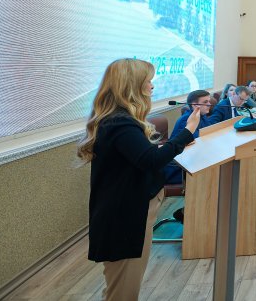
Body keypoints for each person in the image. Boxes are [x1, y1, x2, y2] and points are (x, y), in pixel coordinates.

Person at [77, 58, 200, 300]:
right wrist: (187, 131)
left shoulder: (119, 120)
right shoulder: (120, 123)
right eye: (147, 81)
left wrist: (170, 145)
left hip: (131, 210)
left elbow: (138, 156)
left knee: (123, 285)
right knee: (124, 290)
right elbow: (150, 161)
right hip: (124, 216)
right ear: (131, 86)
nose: (152, 86)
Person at [164, 90, 213, 185]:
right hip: (179, 167)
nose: (209, 104)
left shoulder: (202, 116)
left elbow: (208, 133)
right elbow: (196, 141)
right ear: (194, 105)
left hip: (194, 159)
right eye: (205, 102)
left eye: (209, 101)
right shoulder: (186, 120)